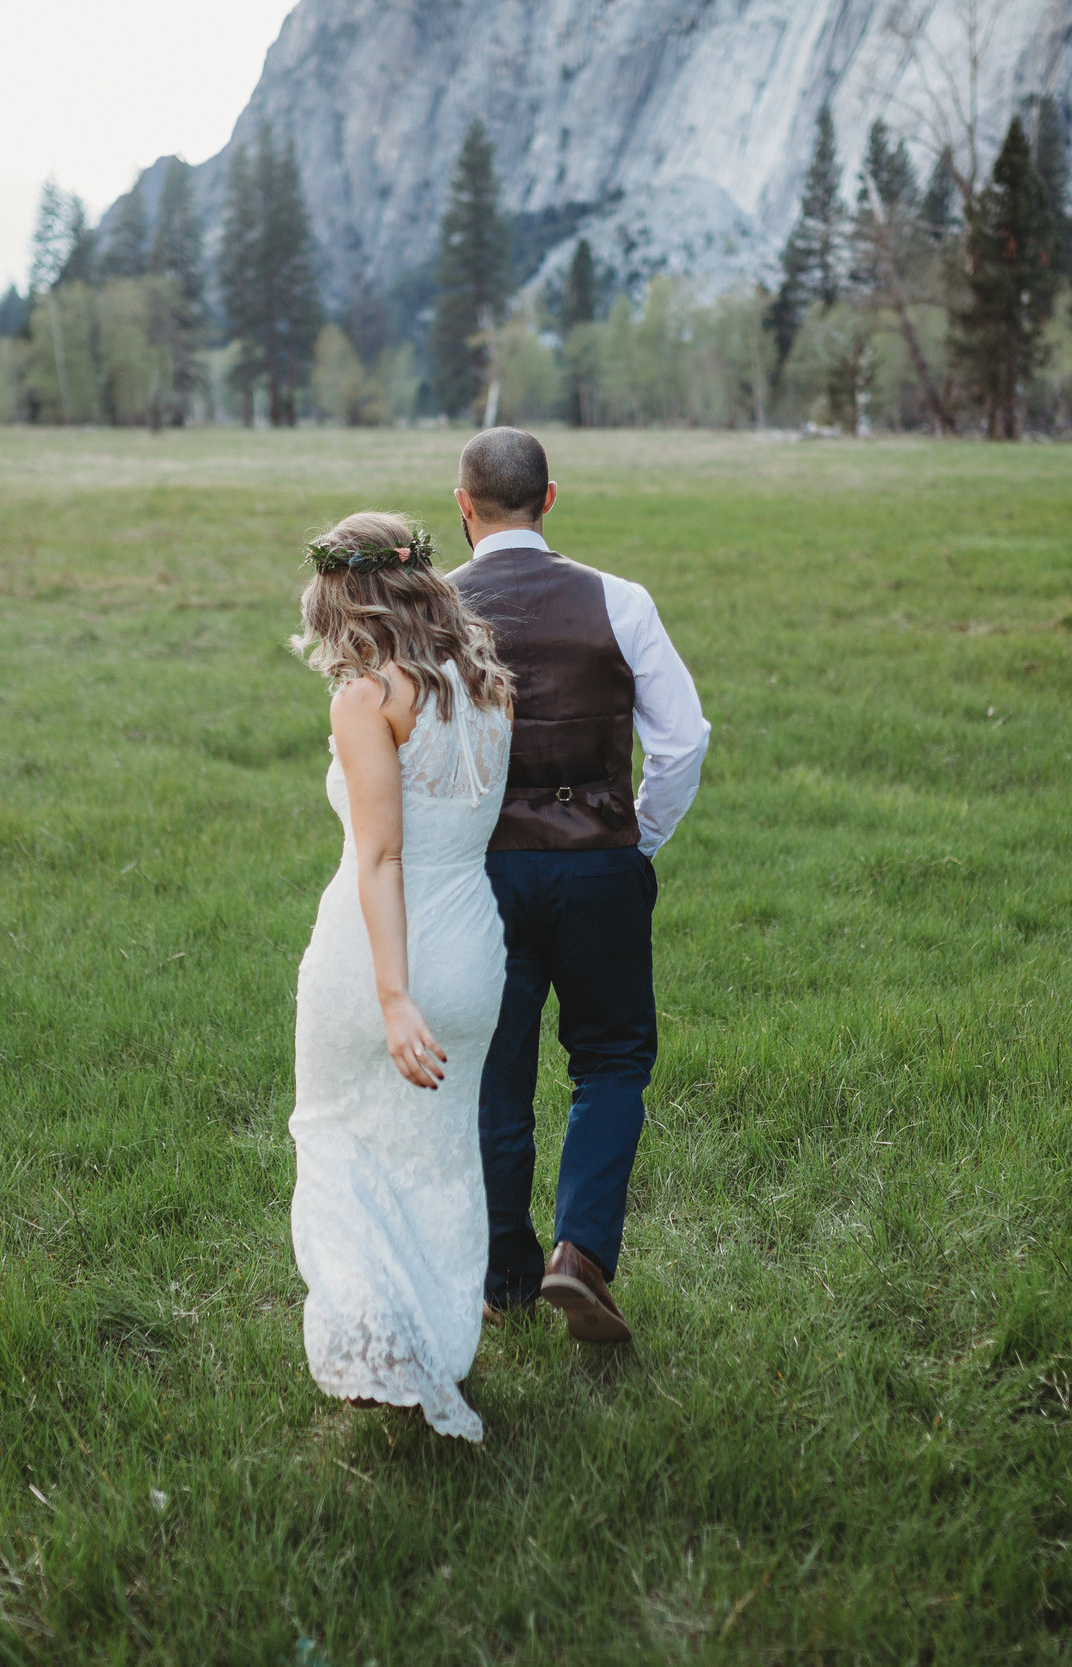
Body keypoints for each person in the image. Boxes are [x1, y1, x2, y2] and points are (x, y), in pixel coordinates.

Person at [452, 429, 710, 1343]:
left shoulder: (436, 609)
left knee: (497, 1077)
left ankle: (508, 1274)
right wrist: (638, 837)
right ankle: (582, 1255)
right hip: (599, 861)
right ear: (550, 499)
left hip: (483, 871)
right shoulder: (619, 599)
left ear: (464, 505)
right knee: (610, 1058)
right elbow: (684, 741)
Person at [287, 511, 514, 1441]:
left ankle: (377, 1352)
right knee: (440, 1155)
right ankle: (432, 1343)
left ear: (344, 596)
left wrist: (391, 996)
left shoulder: (367, 696)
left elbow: (381, 855)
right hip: (475, 949)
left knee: (339, 1139)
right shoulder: (487, 684)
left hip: (384, 952)